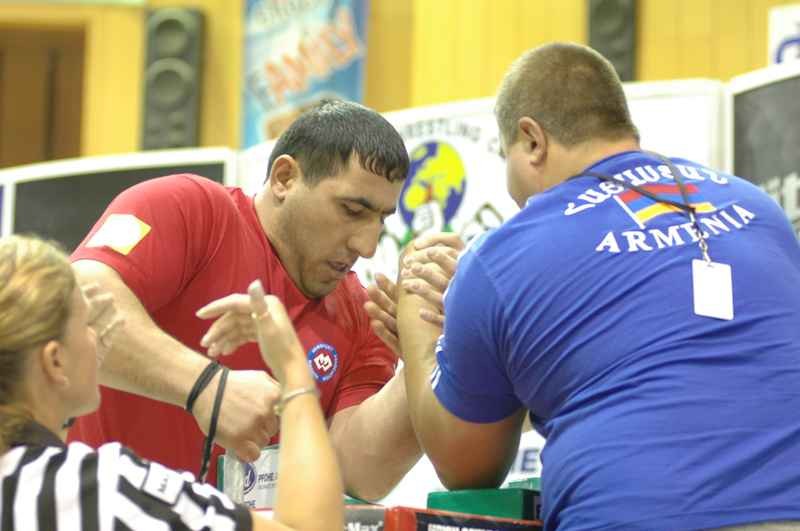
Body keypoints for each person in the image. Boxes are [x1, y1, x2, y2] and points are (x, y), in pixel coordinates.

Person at [392, 43, 800, 530]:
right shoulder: (760, 210)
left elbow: (465, 465)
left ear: (532, 141)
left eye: (506, 158)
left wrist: (416, 320)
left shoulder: (503, 255)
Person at [67, 99, 421, 499]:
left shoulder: (363, 310)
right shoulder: (190, 208)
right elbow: (73, 308)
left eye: (381, 220)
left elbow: (359, 475)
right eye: (352, 210)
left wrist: (426, 362)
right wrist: (205, 386)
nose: (368, 245)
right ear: (285, 177)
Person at [0, 234, 344, 530]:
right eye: (84, 325)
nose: (97, 336)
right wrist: (293, 369)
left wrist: (59, 401)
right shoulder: (106, 489)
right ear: (55, 360)